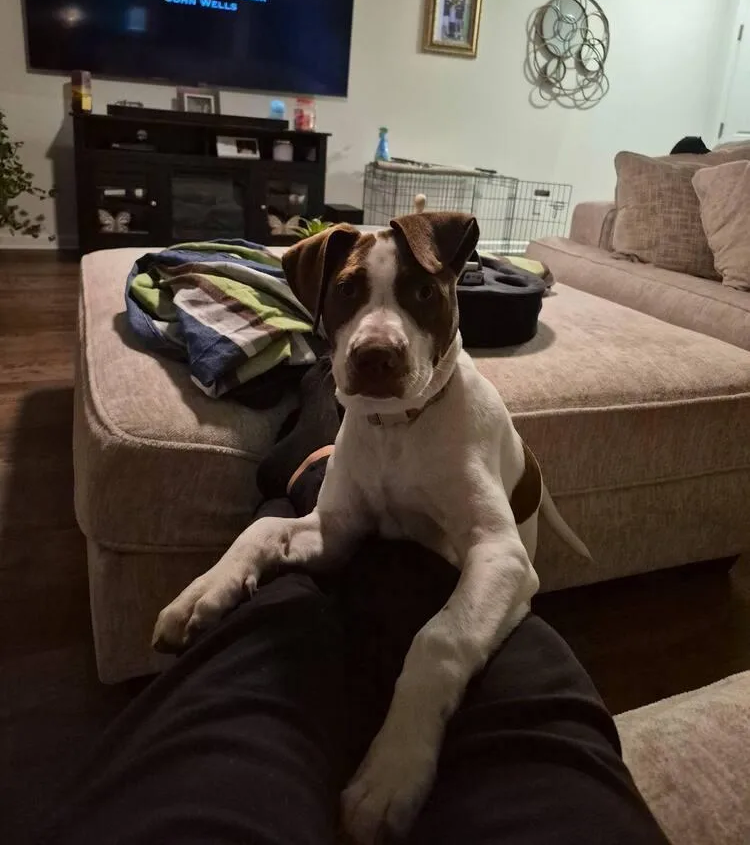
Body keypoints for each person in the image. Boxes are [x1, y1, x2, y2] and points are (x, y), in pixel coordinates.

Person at [39, 360, 668, 845]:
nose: (380, 335)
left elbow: (507, 565)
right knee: (311, 509)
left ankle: (304, 445)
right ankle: (310, 436)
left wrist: (423, 693)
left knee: (295, 539)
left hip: (423, 574)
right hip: (418, 576)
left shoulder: (462, 408)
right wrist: (253, 549)